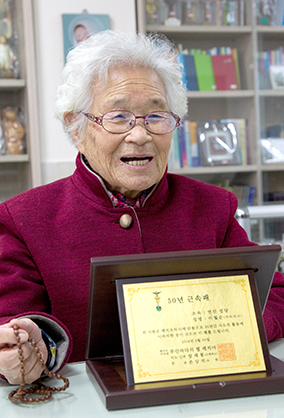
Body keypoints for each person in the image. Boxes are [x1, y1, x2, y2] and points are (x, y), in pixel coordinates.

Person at [0, 30, 284, 386]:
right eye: (118, 117)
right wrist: (27, 345)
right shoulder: (23, 219)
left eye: (156, 116)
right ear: (76, 126)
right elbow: (13, 319)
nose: (140, 135)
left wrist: (241, 327)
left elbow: (274, 292)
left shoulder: (213, 207)